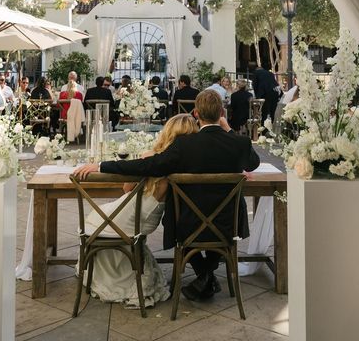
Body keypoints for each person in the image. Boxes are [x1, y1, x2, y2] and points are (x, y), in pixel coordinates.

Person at [75, 89, 260, 302]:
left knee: (188, 224)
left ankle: (205, 275)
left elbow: (147, 165)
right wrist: (227, 129)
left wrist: (100, 165)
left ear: (196, 114)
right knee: (216, 228)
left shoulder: (184, 145)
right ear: (222, 112)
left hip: (188, 223)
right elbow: (253, 163)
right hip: (228, 223)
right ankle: (207, 275)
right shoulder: (239, 143)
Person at [82, 114, 198, 307]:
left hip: (131, 215)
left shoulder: (152, 157)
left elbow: (126, 188)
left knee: (94, 219)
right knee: (108, 221)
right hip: (149, 218)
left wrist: (101, 166)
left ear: (168, 132)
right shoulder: (188, 162)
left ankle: (111, 276)